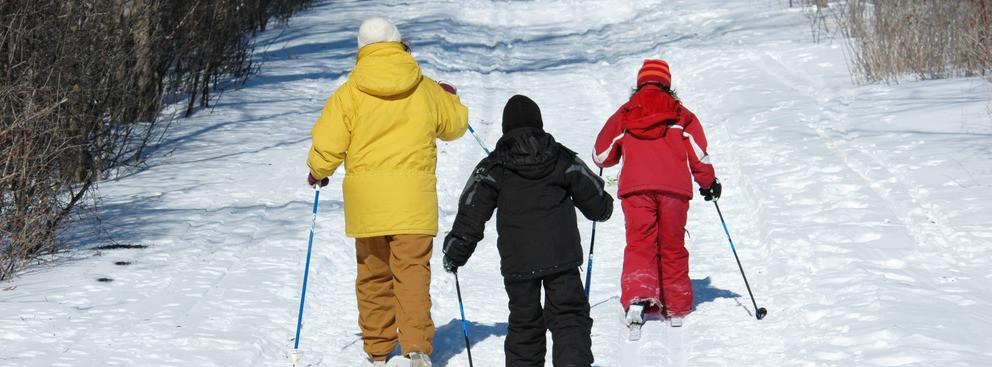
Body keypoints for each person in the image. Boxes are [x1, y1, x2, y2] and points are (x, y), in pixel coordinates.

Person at [305, 16, 468, 367]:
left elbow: (328, 143)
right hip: (414, 202)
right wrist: (450, 98)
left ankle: (378, 351)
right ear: (399, 44)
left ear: (361, 50)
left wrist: (318, 171)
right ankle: (417, 349)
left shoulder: (348, 94)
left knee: (373, 276)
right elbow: (455, 127)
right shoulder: (424, 88)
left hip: (369, 205)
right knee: (411, 275)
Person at [443, 95, 613, 367]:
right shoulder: (561, 157)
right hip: (562, 257)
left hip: (518, 263)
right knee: (569, 318)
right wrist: (604, 206)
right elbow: (595, 200)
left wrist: (455, 250)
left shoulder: (494, 167)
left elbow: (471, 211)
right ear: (539, 124)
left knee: (525, 326)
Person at [592, 59, 721, 332]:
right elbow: (699, 154)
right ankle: (676, 304)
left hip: (636, 190)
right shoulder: (681, 114)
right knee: (672, 245)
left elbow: (601, 155)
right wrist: (708, 183)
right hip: (674, 190)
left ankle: (638, 297)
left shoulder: (625, 114)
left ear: (640, 82)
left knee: (640, 244)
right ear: (668, 84)